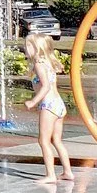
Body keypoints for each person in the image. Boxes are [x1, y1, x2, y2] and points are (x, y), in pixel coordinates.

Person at [23, 32, 75, 183]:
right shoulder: (47, 62)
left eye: (28, 45)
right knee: (57, 140)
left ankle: (50, 175)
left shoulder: (39, 64)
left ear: (38, 48)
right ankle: (68, 172)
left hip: (48, 105)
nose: (25, 48)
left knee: (44, 141)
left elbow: (45, 87)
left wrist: (33, 102)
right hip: (58, 104)